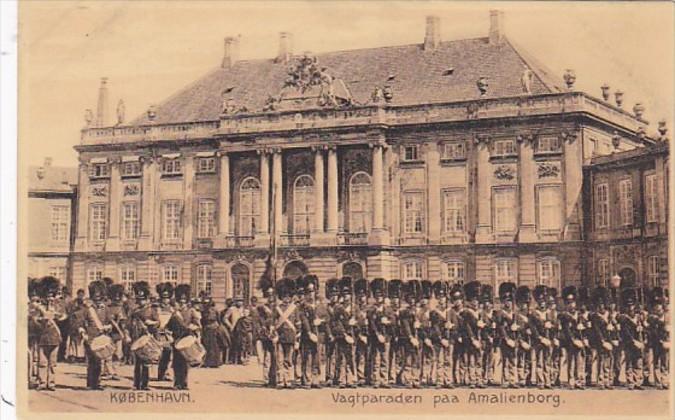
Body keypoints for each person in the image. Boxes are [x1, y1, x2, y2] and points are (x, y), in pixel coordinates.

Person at [35, 277, 66, 391]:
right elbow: (35, 319)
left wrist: (58, 316)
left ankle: (51, 383)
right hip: (42, 337)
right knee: (42, 363)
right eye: (48, 295)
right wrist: (41, 319)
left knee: (52, 363)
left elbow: (64, 318)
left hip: (54, 337)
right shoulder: (40, 307)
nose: (50, 297)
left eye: (52, 295)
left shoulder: (58, 306)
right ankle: (42, 382)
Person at [81, 279, 113, 390]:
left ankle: (97, 383)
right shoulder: (87, 309)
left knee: (99, 361)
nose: (98, 300)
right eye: (96, 297)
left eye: (100, 297)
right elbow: (80, 322)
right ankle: (90, 383)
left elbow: (110, 322)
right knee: (91, 362)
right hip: (90, 337)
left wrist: (108, 327)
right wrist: (82, 332)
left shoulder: (106, 309)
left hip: (100, 337)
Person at [168, 284, 200, 390]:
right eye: (180, 300)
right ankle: (177, 383)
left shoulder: (191, 311)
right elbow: (169, 326)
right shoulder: (174, 313)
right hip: (176, 338)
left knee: (186, 362)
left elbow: (197, 324)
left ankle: (184, 383)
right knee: (177, 362)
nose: (182, 302)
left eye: (184, 300)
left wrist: (193, 327)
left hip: (187, 338)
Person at [128, 281, 156, 390]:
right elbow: (128, 324)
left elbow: (158, 322)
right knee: (137, 363)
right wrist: (127, 335)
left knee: (146, 362)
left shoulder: (151, 310)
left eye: (143, 299)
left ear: (147, 299)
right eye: (139, 300)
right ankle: (136, 384)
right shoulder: (134, 311)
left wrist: (152, 323)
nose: (141, 302)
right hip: (136, 337)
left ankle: (145, 384)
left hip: (147, 338)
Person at [275, 277, 300, 389]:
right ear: (281, 297)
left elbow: (298, 323)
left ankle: (288, 379)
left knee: (289, 359)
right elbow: (272, 322)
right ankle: (280, 380)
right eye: (284, 296)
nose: (287, 298)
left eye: (289, 296)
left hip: (291, 336)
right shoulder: (278, 308)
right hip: (280, 336)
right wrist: (274, 334)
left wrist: (298, 337)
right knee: (280, 359)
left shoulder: (294, 308)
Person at [618, 287, 644, 390]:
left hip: (638, 342)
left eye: (632, 305)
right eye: (628, 306)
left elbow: (644, 330)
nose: (630, 308)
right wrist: (634, 341)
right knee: (629, 363)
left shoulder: (638, 317)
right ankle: (630, 382)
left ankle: (638, 382)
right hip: (629, 342)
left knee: (638, 362)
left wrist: (642, 328)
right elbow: (625, 332)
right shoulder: (624, 318)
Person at [559, 285, 585, 389]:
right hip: (569, 341)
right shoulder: (565, 316)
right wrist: (574, 340)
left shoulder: (579, 315)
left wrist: (583, 327)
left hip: (580, 341)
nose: (571, 305)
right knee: (571, 361)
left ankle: (579, 380)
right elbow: (566, 330)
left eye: (573, 302)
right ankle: (571, 380)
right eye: (569, 302)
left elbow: (585, 327)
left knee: (580, 361)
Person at [297, 275, 320, 388]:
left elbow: (327, 317)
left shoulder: (319, 305)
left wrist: (321, 321)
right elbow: (303, 319)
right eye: (309, 291)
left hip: (318, 335)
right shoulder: (302, 306)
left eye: (313, 291)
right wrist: (309, 332)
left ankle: (315, 379)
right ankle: (306, 379)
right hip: (307, 336)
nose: (311, 294)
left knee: (317, 357)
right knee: (307, 357)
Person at [367, 278, 390, 388]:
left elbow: (394, 321)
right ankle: (375, 379)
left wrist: (388, 322)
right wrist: (377, 335)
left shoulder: (388, 309)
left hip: (386, 337)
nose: (379, 297)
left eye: (381, 295)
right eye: (377, 295)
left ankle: (384, 380)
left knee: (385, 359)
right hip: (376, 338)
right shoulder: (371, 310)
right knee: (376, 359)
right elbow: (372, 324)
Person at [397, 279, 421, 388]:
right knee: (407, 359)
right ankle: (407, 379)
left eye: (414, 298)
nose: (412, 300)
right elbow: (405, 325)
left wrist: (419, 325)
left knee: (417, 359)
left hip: (418, 338)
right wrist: (411, 337)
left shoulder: (419, 311)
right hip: (407, 339)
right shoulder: (404, 311)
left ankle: (416, 379)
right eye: (410, 298)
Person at [589, 286, 613, 389]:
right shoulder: (595, 316)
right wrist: (603, 341)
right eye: (599, 305)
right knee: (601, 360)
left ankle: (607, 380)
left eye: (603, 305)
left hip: (609, 340)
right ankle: (601, 380)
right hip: (600, 341)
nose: (601, 307)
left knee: (608, 360)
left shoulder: (609, 315)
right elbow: (596, 330)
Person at [103, 282, 127, 381]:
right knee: (108, 354)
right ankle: (108, 371)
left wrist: (123, 321)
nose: (117, 298)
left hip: (118, 334)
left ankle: (114, 371)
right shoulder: (107, 307)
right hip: (109, 334)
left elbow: (125, 321)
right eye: (115, 296)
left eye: (119, 296)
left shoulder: (122, 308)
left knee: (117, 354)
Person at [496, 282, 518, 388]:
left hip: (514, 340)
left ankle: (512, 380)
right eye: (505, 300)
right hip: (505, 340)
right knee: (505, 360)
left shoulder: (514, 314)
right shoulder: (500, 313)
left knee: (513, 360)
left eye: (509, 300)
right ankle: (505, 380)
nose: (508, 303)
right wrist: (507, 339)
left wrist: (516, 329)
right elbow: (500, 327)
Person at [461, 281, 482, 389]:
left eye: (477, 300)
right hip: (470, 339)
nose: (476, 302)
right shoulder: (466, 312)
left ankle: (479, 379)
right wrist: (473, 339)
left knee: (479, 360)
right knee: (471, 360)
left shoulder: (479, 312)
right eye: (474, 300)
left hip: (479, 338)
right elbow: (467, 326)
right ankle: (472, 379)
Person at [530, 285, 552, 389]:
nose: (542, 302)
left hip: (549, 340)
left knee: (547, 361)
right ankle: (540, 381)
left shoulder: (550, 312)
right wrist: (540, 338)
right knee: (539, 361)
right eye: (540, 300)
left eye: (543, 300)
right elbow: (533, 328)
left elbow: (556, 324)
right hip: (539, 340)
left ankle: (548, 381)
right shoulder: (534, 313)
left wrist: (552, 326)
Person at [647, 287, 669, 389]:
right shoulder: (652, 318)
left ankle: (665, 381)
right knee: (657, 362)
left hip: (665, 342)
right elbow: (652, 331)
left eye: (659, 308)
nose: (658, 309)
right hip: (656, 342)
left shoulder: (667, 316)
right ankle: (658, 381)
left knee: (665, 362)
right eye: (656, 308)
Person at [201, 293, 227, 368]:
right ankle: (207, 362)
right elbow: (202, 320)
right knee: (206, 345)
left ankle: (215, 362)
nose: (206, 304)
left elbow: (219, 319)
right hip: (206, 328)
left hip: (213, 328)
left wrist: (218, 327)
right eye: (205, 303)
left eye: (207, 302)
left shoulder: (215, 310)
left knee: (214, 345)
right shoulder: (203, 310)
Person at [353, 278, 370, 386]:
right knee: (361, 357)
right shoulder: (355, 309)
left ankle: (369, 376)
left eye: (363, 296)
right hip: (359, 335)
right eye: (360, 296)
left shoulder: (370, 308)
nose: (361, 298)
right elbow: (355, 323)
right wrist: (360, 335)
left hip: (370, 336)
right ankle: (360, 376)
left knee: (370, 357)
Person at [480, 285, 496, 387]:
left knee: (492, 359)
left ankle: (490, 377)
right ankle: (483, 377)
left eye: (489, 303)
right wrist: (487, 337)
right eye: (486, 303)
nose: (488, 305)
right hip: (484, 339)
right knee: (483, 358)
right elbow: (481, 328)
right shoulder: (481, 314)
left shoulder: (495, 314)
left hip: (493, 340)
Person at [386, 280, 402, 387]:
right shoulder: (387, 310)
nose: (395, 301)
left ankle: (399, 376)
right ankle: (391, 377)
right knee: (390, 357)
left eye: (397, 298)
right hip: (390, 336)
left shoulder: (402, 311)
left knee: (400, 357)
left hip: (401, 337)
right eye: (393, 298)